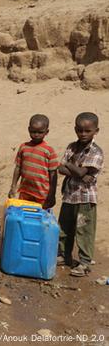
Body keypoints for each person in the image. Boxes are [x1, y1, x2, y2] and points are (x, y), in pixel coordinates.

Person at [57, 112, 103, 277]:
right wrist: (77, 171)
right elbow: (61, 169)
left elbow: (76, 170)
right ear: (75, 129)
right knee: (64, 228)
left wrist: (70, 165)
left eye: (87, 131)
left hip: (85, 198)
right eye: (80, 130)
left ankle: (84, 262)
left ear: (96, 131)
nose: (83, 134)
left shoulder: (96, 152)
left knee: (84, 230)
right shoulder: (71, 146)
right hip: (69, 195)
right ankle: (63, 255)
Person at [8, 114, 59, 209]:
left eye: (40, 132)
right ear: (28, 129)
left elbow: (53, 174)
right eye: (33, 131)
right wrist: (13, 186)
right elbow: (18, 167)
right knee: (24, 215)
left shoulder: (49, 151)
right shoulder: (23, 147)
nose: (36, 135)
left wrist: (52, 194)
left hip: (42, 194)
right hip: (25, 191)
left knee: (39, 218)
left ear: (46, 132)